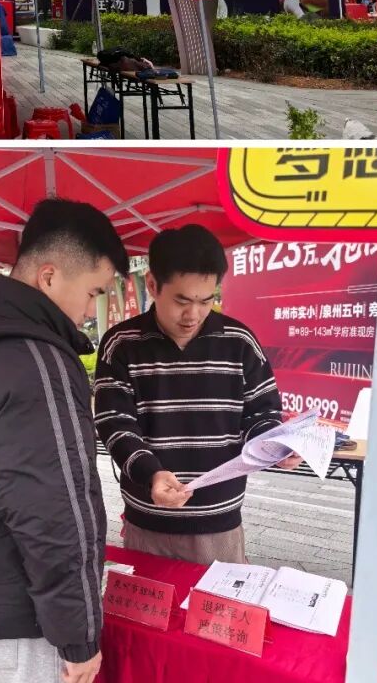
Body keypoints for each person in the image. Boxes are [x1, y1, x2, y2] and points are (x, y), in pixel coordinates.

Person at [0, 198, 128, 683]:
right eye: (92, 292)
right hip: (22, 615)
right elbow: (55, 511)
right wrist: (79, 637)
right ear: (49, 276)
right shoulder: (37, 363)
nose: (90, 312)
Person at [93, 224, 299, 567]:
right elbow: (115, 423)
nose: (193, 315)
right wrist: (151, 473)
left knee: (218, 603)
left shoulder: (239, 342)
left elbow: (262, 412)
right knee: (148, 601)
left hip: (219, 521)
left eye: (206, 300)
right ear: (153, 285)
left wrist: (276, 445)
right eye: (182, 301)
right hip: (148, 520)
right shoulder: (122, 344)